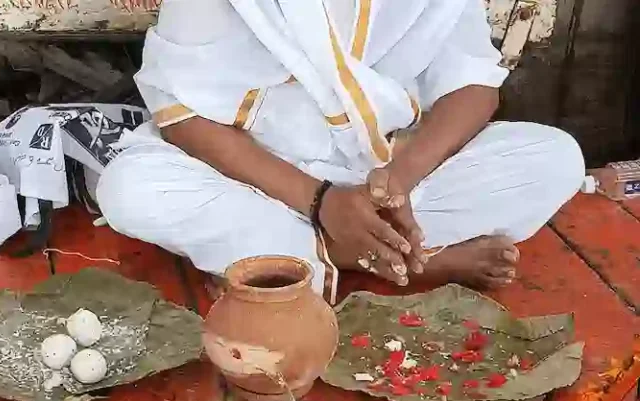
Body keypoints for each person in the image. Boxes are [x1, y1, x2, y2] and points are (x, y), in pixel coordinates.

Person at [97, 0, 586, 304]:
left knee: (555, 159)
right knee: (130, 190)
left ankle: (301, 258)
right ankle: (394, 259)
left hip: (388, 171)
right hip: (256, 176)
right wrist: (322, 202)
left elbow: (473, 83)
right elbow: (182, 114)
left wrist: (398, 183)